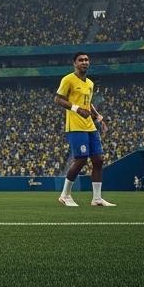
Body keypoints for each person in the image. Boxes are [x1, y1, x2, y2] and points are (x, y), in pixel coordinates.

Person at [53, 53, 115, 207]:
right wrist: (77, 109)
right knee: (81, 160)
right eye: (80, 60)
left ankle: (97, 198)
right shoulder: (68, 79)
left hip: (90, 126)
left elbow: (88, 103)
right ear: (74, 63)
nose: (84, 62)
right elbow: (58, 99)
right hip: (75, 125)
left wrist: (99, 117)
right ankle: (65, 195)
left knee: (98, 160)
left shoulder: (90, 83)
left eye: (86, 60)